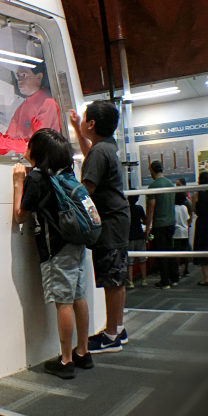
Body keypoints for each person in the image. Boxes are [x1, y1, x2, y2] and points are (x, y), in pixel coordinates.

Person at [13, 128, 92, 379]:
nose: (27, 148)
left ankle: (66, 360)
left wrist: (18, 182)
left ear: (38, 151)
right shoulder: (66, 174)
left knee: (63, 302)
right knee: (78, 296)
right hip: (76, 243)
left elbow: (20, 216)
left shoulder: (36, 178)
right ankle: (83, 352)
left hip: (56, 248)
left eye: (30, 144)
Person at [69, 101, 131, 353]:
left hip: (110, 221)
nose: (82, 119)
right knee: (117, 278)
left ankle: (111, 336)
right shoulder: (106, 146)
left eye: (84, 117)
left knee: (112, 280)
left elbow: (88, 189)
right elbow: (91, 156)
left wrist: (65, 198)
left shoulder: (99, 151)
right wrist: (76, 128)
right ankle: (117, 328)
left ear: (92, 123)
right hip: (118, 218)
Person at [0, 63, 60, 155]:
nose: (19, 80)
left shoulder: (47, 103)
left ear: (39, 77)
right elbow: (9, 139)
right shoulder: (23, 106)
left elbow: (38, 146)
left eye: (24, 75)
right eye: (18, 76)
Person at [145, 160, 177, 289]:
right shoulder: (170, 184)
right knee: (171, 251)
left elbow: (151, 208)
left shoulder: (153, 186)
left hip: (160, 225)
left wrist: (147, 228)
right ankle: (174, 278)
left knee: (161, 253)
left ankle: (165, 281)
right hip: (171, 223)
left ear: (152, 170)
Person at [126, 195, 147, 289]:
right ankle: (144, 279)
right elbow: (145, 221)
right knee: (142, 260)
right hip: (139, 236)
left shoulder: (126, 209)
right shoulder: (139, 208)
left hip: (129, 237)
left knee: (130, 262)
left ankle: (130, 281)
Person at [173, 192, 191, 276]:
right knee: (185, 251)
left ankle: (177, 272)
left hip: (176, 233)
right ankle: (186, 270)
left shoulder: (173, 208)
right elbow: (187, 219)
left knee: (177, 253)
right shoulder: (184, 207)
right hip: (185, 232)